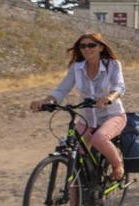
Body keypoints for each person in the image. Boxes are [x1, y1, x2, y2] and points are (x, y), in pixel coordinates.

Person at [30, 33, 127, 181]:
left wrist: (109, 97)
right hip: (87, 119)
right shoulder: (77, 67)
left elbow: (119, 87)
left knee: (99, 139)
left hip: (112, 116)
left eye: (91, 45)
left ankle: (117, 166)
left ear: (101, 47)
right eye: (83, 46)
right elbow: (62, 90)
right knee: (73, 157)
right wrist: (46, 101)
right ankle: (76, 199)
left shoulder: (112, 65)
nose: (87, 49)